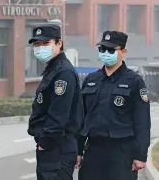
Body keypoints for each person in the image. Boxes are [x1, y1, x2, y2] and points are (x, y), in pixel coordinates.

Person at [77, 31, 151, 180]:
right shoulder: (91, 79)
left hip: (121, 152)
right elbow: (81, 117)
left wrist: (141, 155)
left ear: (123, 52)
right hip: (93, 150)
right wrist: (77, 150)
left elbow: (142, 121)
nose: (105, 53)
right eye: (102, 49)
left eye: (111, 50)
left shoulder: (134, 81)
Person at [27, 24, 84, 180]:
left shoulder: (63, 72)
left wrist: (44, 142)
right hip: (52, 148)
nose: (40, 48)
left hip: (58, 147)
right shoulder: (52, 70)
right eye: (37, 44)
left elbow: (59, 113)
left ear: (59, 43)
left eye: (46, 43)